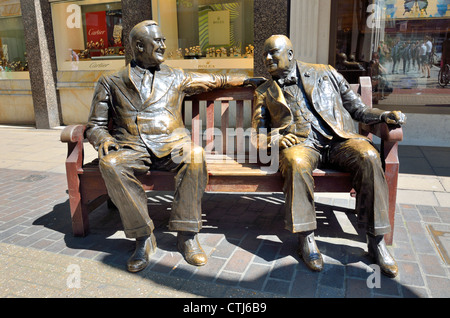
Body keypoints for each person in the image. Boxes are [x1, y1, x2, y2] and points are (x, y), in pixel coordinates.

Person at [86, 20, 256, 273]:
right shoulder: (111, 81)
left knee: (195, 155)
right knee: (110, 163)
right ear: (139, 46)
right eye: (158, 41)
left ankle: (186, 235)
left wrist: (247, 80)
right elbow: (94, 125)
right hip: (132, 146)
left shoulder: (177, 75)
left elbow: (215, 79)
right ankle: (143, 237)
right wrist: (104, 139)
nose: (164, 45)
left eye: (164, 40)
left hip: (172, 145)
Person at [252, 35, 406, 277]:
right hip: (301, 144)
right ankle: (306, 239)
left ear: (290, 54)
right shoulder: (264, 91)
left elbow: (359, 109)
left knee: (368, 155)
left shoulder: (326, 73)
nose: (267, 58)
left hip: (337, 140)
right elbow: (257, 134)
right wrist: (276, 139)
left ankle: (377, 242)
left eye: (273, 52)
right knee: (295, 161)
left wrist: (383, 115)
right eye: (264, 55)